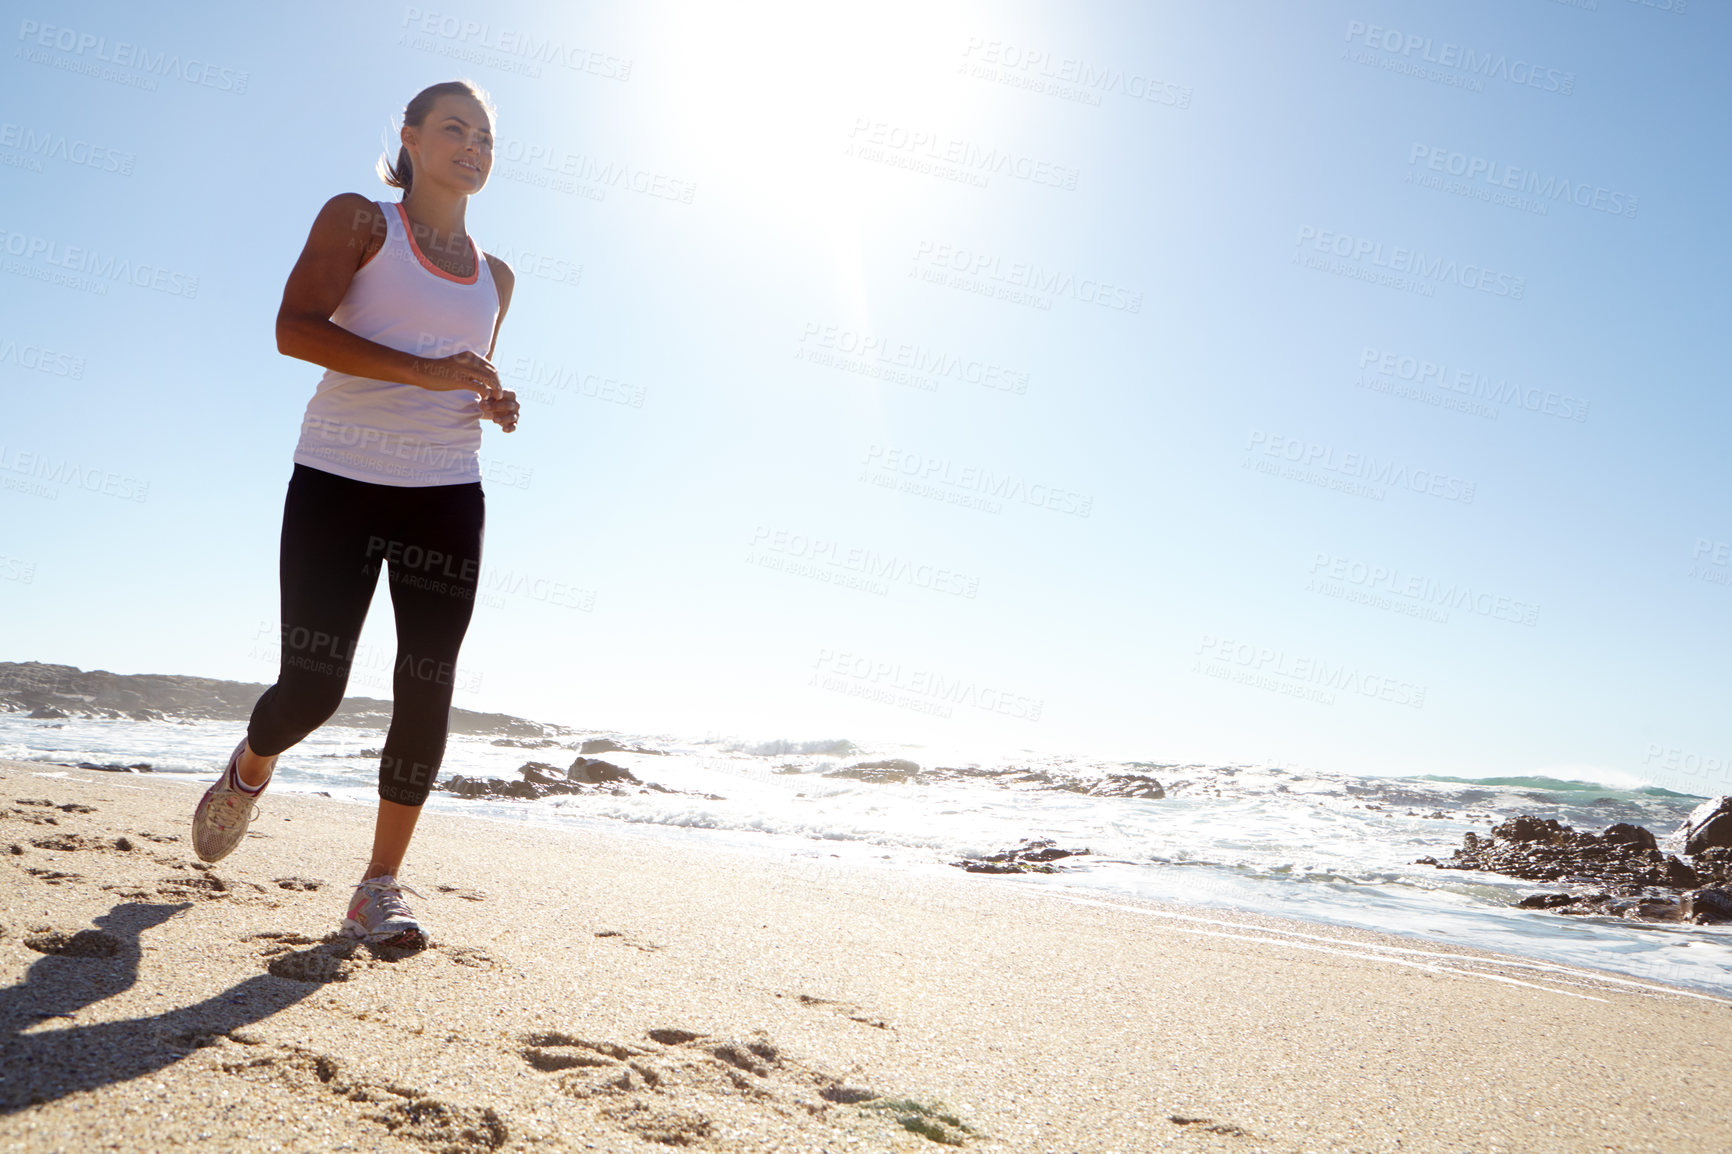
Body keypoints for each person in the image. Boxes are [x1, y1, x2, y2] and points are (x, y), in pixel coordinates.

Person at [191, 80, 519, 949]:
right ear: (409, 137)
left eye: (487, 136)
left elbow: (455, 367)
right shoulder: (361, 221)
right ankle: (251, 766)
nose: (475, 146)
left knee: (428, 681)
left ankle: (378, 886)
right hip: (338, 478)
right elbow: (294, 330)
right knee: (314, 687)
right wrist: (428, 374)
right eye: (455, 129)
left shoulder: (499, 277)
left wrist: (488, 398)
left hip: (448, 491)